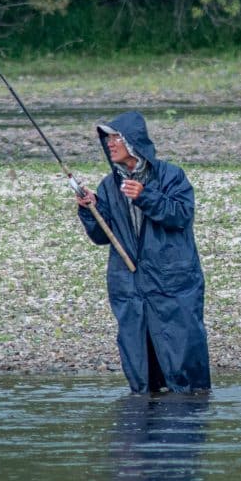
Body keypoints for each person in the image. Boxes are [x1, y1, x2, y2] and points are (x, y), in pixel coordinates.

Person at [76, 111, 211, 393]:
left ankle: (190, 413)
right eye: (107, 139)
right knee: (141, 371)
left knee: (183, 365)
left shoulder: (171, 176)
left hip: (172, 283)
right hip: (129, 285)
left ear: (132, 141)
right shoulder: (109, 185)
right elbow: (101, 237)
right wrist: (90, 209)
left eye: (115, 137)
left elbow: (181, 216)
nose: (110, 144)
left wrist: (145, 196)